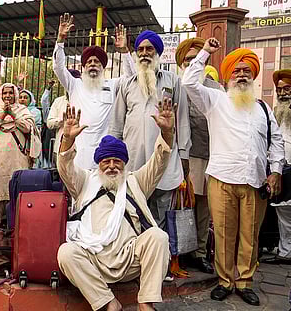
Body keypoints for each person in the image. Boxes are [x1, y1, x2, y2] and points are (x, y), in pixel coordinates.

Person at [182, 38, 285, 306]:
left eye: (246, 71)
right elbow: (189, 82)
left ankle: (244, 282)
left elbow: (276, 141)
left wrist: (275, 171)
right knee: (226, 233)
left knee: (250, 235)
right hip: (222, 179)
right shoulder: (215, 99)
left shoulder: (263, 108)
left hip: (254, 181)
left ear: (253, 75)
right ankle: (224, 281)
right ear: (228, 75)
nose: (241, 75)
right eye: (236, 70)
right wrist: (205, 52)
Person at [57, 97, 176, 311]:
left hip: (130, 258)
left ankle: (146, 302)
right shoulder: (84, 181)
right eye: (106, 162)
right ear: (99, 163)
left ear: (124, 163)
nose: (112, 166)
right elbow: (65, 166)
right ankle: (108, 302)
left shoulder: (136, 181)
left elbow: (159, 160)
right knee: (65, 253)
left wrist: (167, 133)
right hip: (92, 260)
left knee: (158, 236)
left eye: (117, 161)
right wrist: (67, 139)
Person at [109, 29, 191, 230]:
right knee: (132, 214)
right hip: (134, 161)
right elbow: (116, 124)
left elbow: (182, 121)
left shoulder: (173, 81)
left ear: (158, 53)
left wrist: (184, 155)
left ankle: (161, 258)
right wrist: (112, 153)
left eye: (149, 49)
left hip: (165, 161)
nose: (145, 53)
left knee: (161, 218)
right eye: (141, 49)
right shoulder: (127, 84)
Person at [53, 15, 134, 170]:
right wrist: (61, 39)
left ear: (103, 67)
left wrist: (124, 51)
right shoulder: (74, 84)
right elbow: (58, 67)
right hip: (79, 152)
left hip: (105, 154)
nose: (92, 64)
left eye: (96, 62)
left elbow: (132, 78)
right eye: (89, 62)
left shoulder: (113, 84)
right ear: (83, 67)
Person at [174, 37, 223, 274]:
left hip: (209, 155)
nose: (193, 63)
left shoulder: (215, 88)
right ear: (181, 64)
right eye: (188, 60)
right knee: (182, 205)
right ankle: (179, 251)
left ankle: (200, 253)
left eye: (197, 58)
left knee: (203, 207)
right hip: (182, 155)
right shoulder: (176, 85)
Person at [0, 83, 41, 230]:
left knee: (16, 190)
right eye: (5, 93)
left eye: (10, 93)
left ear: (15, 94)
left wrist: (14, 115)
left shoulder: (22, 110)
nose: (7, 96)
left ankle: (16, 231)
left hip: (17, 157)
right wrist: (3, 114)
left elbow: (28, 127)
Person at [271, 69, 291, 262]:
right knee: (282, 212)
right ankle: (284, 251)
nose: (283, 93)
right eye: (280, 89)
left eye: (287, 89)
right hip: (281, 168)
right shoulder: (275, 110)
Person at [46, 69, 81, 166]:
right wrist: (63, 120)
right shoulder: (58, 101)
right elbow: (49, 123)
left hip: (81, 149)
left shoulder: (86, 100)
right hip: (60, 149)